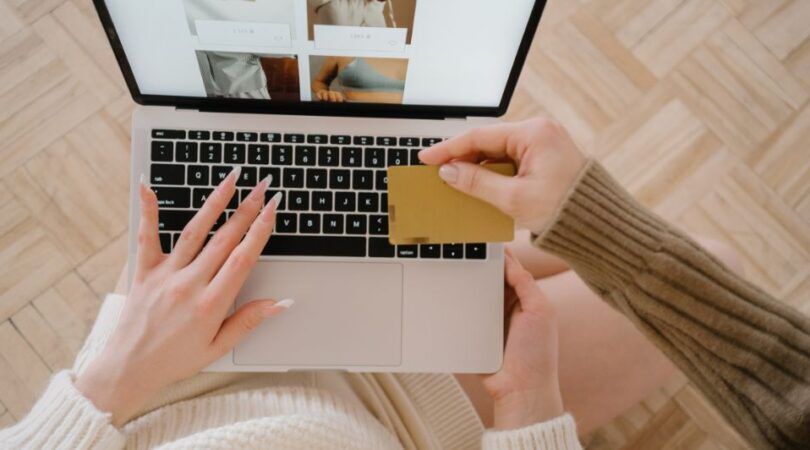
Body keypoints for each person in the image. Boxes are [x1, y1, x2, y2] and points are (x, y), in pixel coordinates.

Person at [0, 118, 806, 449]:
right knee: (718, 264)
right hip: (418, 418)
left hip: (164, 369)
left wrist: (105, 380)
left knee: (477, 230)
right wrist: (528, 415)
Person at [311, 56, 407, 103]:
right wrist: (324, 93)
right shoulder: (342, 51)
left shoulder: (416, 51)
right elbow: (319, 82)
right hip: (352, 120)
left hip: (406, 121)